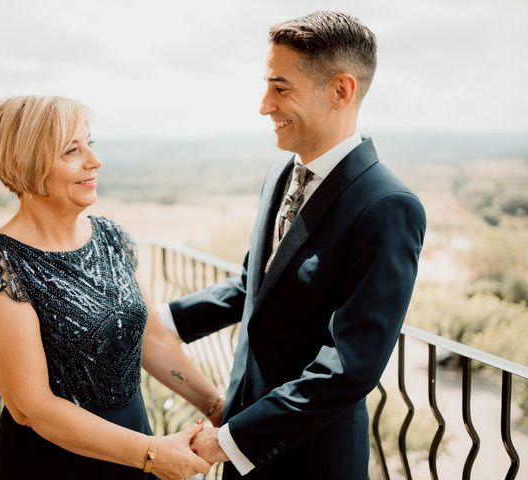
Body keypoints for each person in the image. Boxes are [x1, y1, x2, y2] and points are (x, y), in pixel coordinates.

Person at [158, 11, 426, 479]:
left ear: (341, 90)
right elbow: (253, 288)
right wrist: (160, 321)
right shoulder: (282, 174)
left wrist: (228, 441)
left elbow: (349, 366)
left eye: (281, 89)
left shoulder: (388, 205)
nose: (264, 105)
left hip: (311, 459)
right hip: (245, 442)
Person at [0, 95, 223, 480]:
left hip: (134, 448)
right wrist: (151, 454)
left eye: (89, 144)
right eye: (71, 150)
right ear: (26, 163)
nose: (94, 161)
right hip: (52, 466)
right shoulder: (0, 266)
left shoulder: (110, 237)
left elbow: (153, 340)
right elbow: (31, 407)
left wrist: (216, 405)